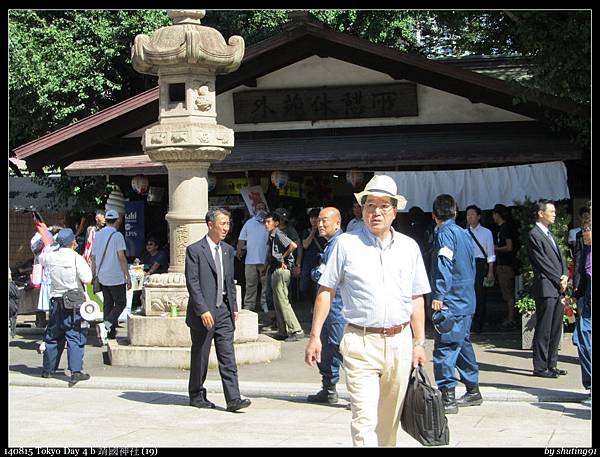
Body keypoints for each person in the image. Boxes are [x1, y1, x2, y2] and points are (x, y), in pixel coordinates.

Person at [305, 174, 430, 446]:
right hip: (360, 342)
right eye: (370, 205)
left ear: (394, 212)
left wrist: (419, 343)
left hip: (400, 342)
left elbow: (416, 298)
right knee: (364, 422)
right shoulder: (346, 244)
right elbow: (326, 290)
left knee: (389, 426)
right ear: (362, 209)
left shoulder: (409, 248)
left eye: (384, 206)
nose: (376, 212)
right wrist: (315, 336)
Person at [185, 208, 251, 412]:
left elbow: (230, 282)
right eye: (222, 223)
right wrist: (202, 309)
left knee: (227, 354)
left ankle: (233, 398)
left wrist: (234, 307)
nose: (226, 228)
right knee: (201, 355)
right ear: (210, 224)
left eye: (228, 224)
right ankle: (196, 393)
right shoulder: (195, 250)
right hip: (204, 311)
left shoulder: (227, 250)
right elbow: (193, 283)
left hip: (224, 309)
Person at [430, 194, 482, 414]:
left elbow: (444, 263)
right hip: (467, 298)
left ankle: (448, 397)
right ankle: (473, 389)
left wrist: (439, 296)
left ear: (434, 216)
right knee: (462, 344)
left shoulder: (445, 234)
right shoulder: (464, 233)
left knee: (446, 346)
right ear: (455, 212)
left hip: (452, 300)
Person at [38, 228, 93, 386]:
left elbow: (41, 258)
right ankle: (75, 372)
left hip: (56, 300)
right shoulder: (76, 258)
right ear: (73, 242)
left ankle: (48, 369)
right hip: (74, 301)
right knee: (75, 335)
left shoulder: (50, 257)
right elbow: (87, 278)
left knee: (53, 335)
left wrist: (51, 246)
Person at [306, 207, 345, 404]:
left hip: (337, 306)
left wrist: (314, 272)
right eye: (318, 221)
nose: (320, 224)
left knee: (341, 348)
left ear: (337, 223)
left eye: (324, 221)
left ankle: (360, 393)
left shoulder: (339, 244)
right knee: (329, 348)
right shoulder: (331, 244)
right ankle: (329, 387)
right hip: (331, 306)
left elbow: (325, 276)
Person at [527, 200, 569, 379]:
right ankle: (540, 366)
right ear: (541, 213)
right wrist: (557, 278)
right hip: (546, 286)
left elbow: (561, 259)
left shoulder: (550, 234)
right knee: (544, 327)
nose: (554, 214)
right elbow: (542, 262)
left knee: (555, 328)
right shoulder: (534, 234)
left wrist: (565, 274)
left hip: (558, 286)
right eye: (551, 211)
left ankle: (552, 364)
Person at [91, 209, 131, 344]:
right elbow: (121, 257)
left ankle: (109, 334)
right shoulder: (117, 236)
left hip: (102, 275)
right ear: (117, 220)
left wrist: (93, 274)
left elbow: (94, 258)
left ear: (106, 220)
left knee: (107, 304)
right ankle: (106, 325)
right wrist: (128, 276)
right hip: (116, 276)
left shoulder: (98, 235)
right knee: (121, 303)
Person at [264, 212, 304, 341]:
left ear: (276, 223)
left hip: (281, 269)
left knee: (282, 301)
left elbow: (293, 245)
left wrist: (283, 257)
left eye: (269, 222)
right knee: (277, 302)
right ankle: (283, 331)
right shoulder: (272, 235)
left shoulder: (279, 234)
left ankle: (296, 330)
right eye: (265, 222)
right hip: (275, 268)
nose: (266, 224)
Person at [465, 205, 496, 333]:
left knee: (480, 294)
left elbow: (491, 253)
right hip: (467, 264)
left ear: (478, 216)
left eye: (472, 214)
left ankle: (479, 322)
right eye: (468, 215)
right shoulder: (464, 233)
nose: (470, 217)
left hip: (481, 263)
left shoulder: (486, 232)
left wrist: (490, 270)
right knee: (468, 293)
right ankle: (469, 321)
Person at [572, 212, 591, 407]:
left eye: (586, 230)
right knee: (581, 340)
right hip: (587, 302)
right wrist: (574, 297)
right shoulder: (586, 250)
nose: (583, 234)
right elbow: (584, 279)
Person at [236, 201, 269, 314]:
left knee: (266, 284)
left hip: (265, 259)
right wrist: (239, 250)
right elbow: (242, 238)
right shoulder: (249, 223)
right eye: (258, 208)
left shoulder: (269, 223)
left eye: (262, 208)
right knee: (250, 284)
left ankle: (265, 304)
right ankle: (249, 305)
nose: (260, 210)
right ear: (254, 210)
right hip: (250, 260)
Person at [492, 204, 517, 329]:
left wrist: (495, 248)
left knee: (508, 293)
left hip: (505, 265)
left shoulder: (505, 228)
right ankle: (509, 316)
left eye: (494, 214)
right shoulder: (502, 228)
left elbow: (509, 246)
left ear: (497, 214)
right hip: (502, 264)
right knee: (506, 293)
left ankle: (511, 318)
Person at [300, 207, 326, 303]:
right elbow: (305, 245)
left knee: (317, 287)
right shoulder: (306, 231)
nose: (314, 220)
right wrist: (313, 232)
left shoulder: (324, 231)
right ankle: (312, 303)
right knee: (304, 287)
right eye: (312, 218)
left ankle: (316, 307)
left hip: (320, 263)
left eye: (316, 218)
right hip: (308, 262)